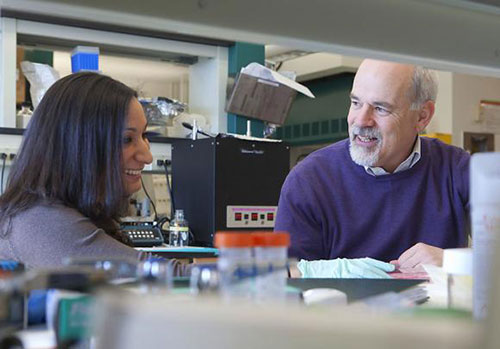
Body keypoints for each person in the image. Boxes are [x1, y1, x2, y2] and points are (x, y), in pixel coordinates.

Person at [275, 59, 470, 273]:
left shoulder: (459, 170)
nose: (360, 121)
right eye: (356, 103)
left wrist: (454, 260)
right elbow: (285, 279)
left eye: (380, 108)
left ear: (422, 116)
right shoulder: (309, 180)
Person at [0, 72, 154, 268]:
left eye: (144, 135)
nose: (147, 156)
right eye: (126, 139)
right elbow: (159, 276)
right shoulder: (43, 222)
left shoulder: (50, 209)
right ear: (78, 146)